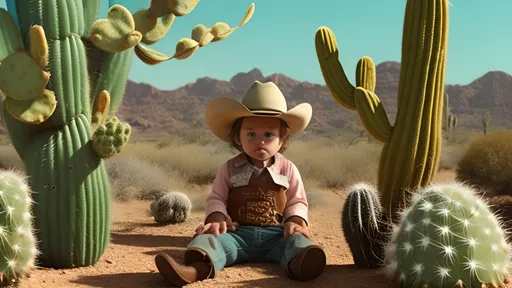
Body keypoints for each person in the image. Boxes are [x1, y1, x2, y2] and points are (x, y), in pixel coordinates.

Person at [154, 80, 326, 287]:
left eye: (269, 135)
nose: (259, 141)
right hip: (236, 234)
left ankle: (303, 265)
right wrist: (217, 217)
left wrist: (296, 222)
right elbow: (217, 197)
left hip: (277, 234)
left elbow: (297, 200)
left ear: (282, 140)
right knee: (208, 239)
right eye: (251, 134)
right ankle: (193, 271)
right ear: (239, 136)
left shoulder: (288, 168)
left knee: (298, 242)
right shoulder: (229, 168)